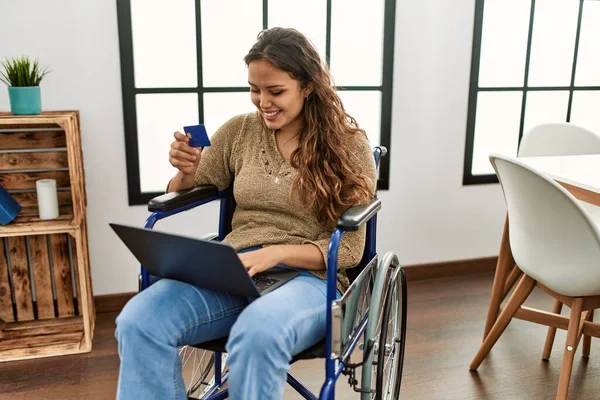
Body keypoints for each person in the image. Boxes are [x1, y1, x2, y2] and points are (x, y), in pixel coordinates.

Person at [115, 27, 377, 400]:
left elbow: (349, 249)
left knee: (256, 333)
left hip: (312, 279)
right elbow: (186, 188)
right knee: (139, 322)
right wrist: (186, 171)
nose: (262, 102)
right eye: (255, 89)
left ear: (307, 86)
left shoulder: (349, 145)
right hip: (234, 270)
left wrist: (276, 253)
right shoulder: (238, 132)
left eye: (275, 91)